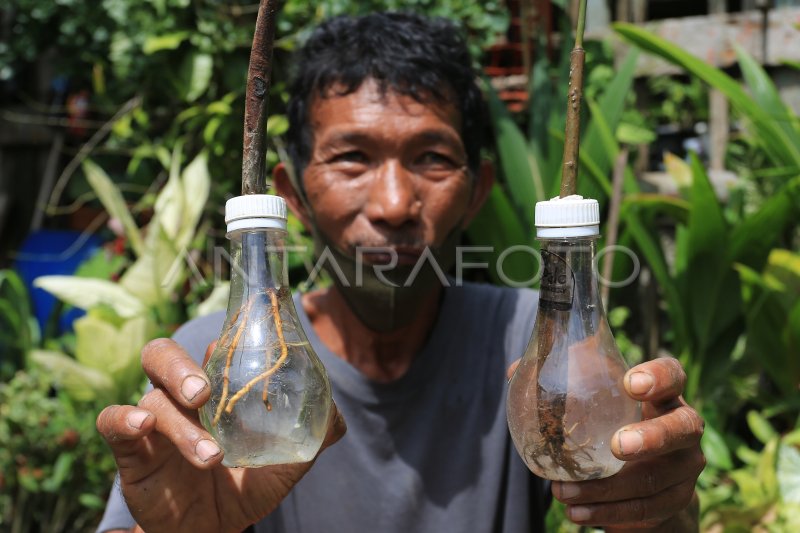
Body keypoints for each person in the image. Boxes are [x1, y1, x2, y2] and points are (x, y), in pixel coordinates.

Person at [96, 12, 705, 533]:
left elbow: (630, 487)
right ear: (291, 198)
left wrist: (660, 509)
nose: (393, 204)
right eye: (353, 158)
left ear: (478, 192)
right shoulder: (215, 364)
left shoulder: (535, 349)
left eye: (432, 158)